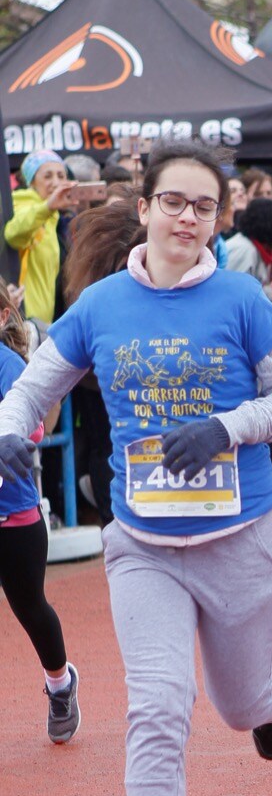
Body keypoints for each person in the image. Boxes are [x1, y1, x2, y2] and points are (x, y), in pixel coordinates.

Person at [0, 140, 272, 796]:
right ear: (142, 208)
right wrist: (10, 429)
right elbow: (36, 384)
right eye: (173, 202)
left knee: (238, 706)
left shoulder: (243, 299)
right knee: (155, 707)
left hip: (242, 538)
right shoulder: (102, 304)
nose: (188, 217)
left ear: (218, 219)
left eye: (203, 206)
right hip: (142, 544)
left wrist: (226, 426)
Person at [0, 280, 80, 744]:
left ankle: (60, 684)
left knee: (30, 607)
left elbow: (30, 432)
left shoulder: (10, 366)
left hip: (12, 514)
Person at [64, 197, 147, 524]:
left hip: (113, 376)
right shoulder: (98, 288)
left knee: (110, 446)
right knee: (106, 448)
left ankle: (114, 515)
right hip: (99, 376)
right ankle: (111, 517)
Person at [4, 150, 76, 324]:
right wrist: (48, 207)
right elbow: (13, 233)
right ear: (32, 182)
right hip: (23, 318)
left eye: (61, 175)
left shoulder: (53, 216)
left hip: (43, 322)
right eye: (47, 176)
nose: (56, 182)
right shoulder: (22, 202)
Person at [224, 197, 272, 302]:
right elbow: (235, 295)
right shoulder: (243, 250)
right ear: (271, 227)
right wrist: (269, 292)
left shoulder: (257, 249)